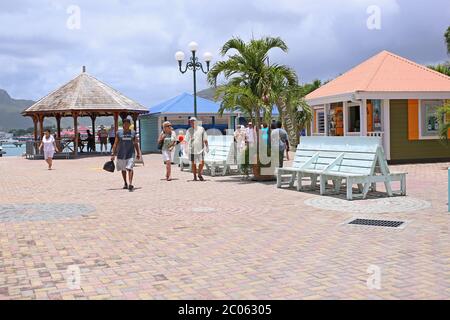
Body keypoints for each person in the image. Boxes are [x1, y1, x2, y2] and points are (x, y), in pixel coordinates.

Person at [110, 119, 142, 192]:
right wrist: (113, 154)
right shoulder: (119, 133)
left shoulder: (133, 133)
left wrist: (138, 153)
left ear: (130, 125)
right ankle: (125, 183)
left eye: (128, 124)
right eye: (125, 124)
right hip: (121, 154)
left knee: (130, 168)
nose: (126, 125)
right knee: (123, 169)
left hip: (131, 153)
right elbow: (115, 144)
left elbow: (136, 143)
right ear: (123, 124)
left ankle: (130, 184)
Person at [185, 117, 208, 181]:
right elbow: (186, 140)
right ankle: (195, 176)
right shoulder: (189, 130)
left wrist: (207, 146)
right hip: (192, 149)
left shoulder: (201, 129)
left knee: (202, 162)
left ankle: (199, 174)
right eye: (190, 122)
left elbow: (205, 138)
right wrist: (186, 148)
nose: (191, 123)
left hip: (200, 149)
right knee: (193, 163)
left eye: (193, 121)